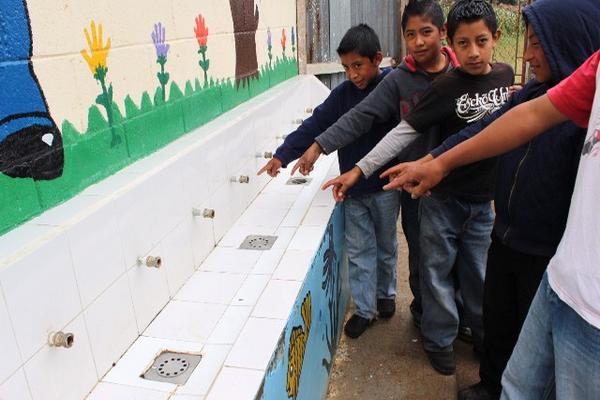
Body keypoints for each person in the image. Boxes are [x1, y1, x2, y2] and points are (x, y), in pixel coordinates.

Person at [382, 0, 599, 398]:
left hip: (547, 249)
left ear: (569, 43)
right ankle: (489, 382)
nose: (528, 54)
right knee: (498, 315)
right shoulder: (532, 94)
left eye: (537, 44)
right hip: (506, 234)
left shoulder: (583, 118)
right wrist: (433, 162)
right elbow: (487, 127)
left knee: (529, 337)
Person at [322, 0, 514, 376]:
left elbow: (513, 125)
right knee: (432, 271)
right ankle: (438, 337)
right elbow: (401, 132)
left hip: (480, 199)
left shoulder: (505, 77)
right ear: (454, 43)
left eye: (480, 41)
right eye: (465, 43)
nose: (473, 51)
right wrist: (359, 169)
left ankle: (474, 330)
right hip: (436, 195)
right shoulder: (442, 86)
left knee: (476, 271)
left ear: (495, 39)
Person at [289, 0, 460, 330]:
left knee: (439, 255)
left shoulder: (460, 75)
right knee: (398, 253)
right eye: (411, 34)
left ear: (443, 33)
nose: (419, 40)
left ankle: (437, 314)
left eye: (426, 32)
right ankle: (383, 311)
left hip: (453, 185)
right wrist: (316, 147)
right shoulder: (397, 82)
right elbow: (359, 119)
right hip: (400, 184)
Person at [258, 24, 401, 338]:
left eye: (358, 66)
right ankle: (365, 310)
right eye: (346, 67)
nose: (352, 74)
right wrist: (282, 155)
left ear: (378, 59)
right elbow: (315, 125)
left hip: (387, 187)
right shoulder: (342, 95)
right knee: (360, 250)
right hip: (351, 189)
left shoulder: (392, 87)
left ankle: (386, 293)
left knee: (387, 244)